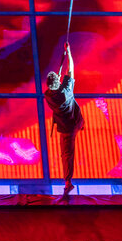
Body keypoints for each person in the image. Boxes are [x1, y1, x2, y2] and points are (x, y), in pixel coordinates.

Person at [44, 43, 85, 197]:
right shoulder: (67, 90)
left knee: (66, 155)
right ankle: (82, 124)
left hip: (66, 127)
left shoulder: (48, 96)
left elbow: (55, 85)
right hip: (74, 121)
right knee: (67, 153)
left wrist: (58, 78)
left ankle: (68, 182)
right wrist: (69, 52)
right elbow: (71, 69)